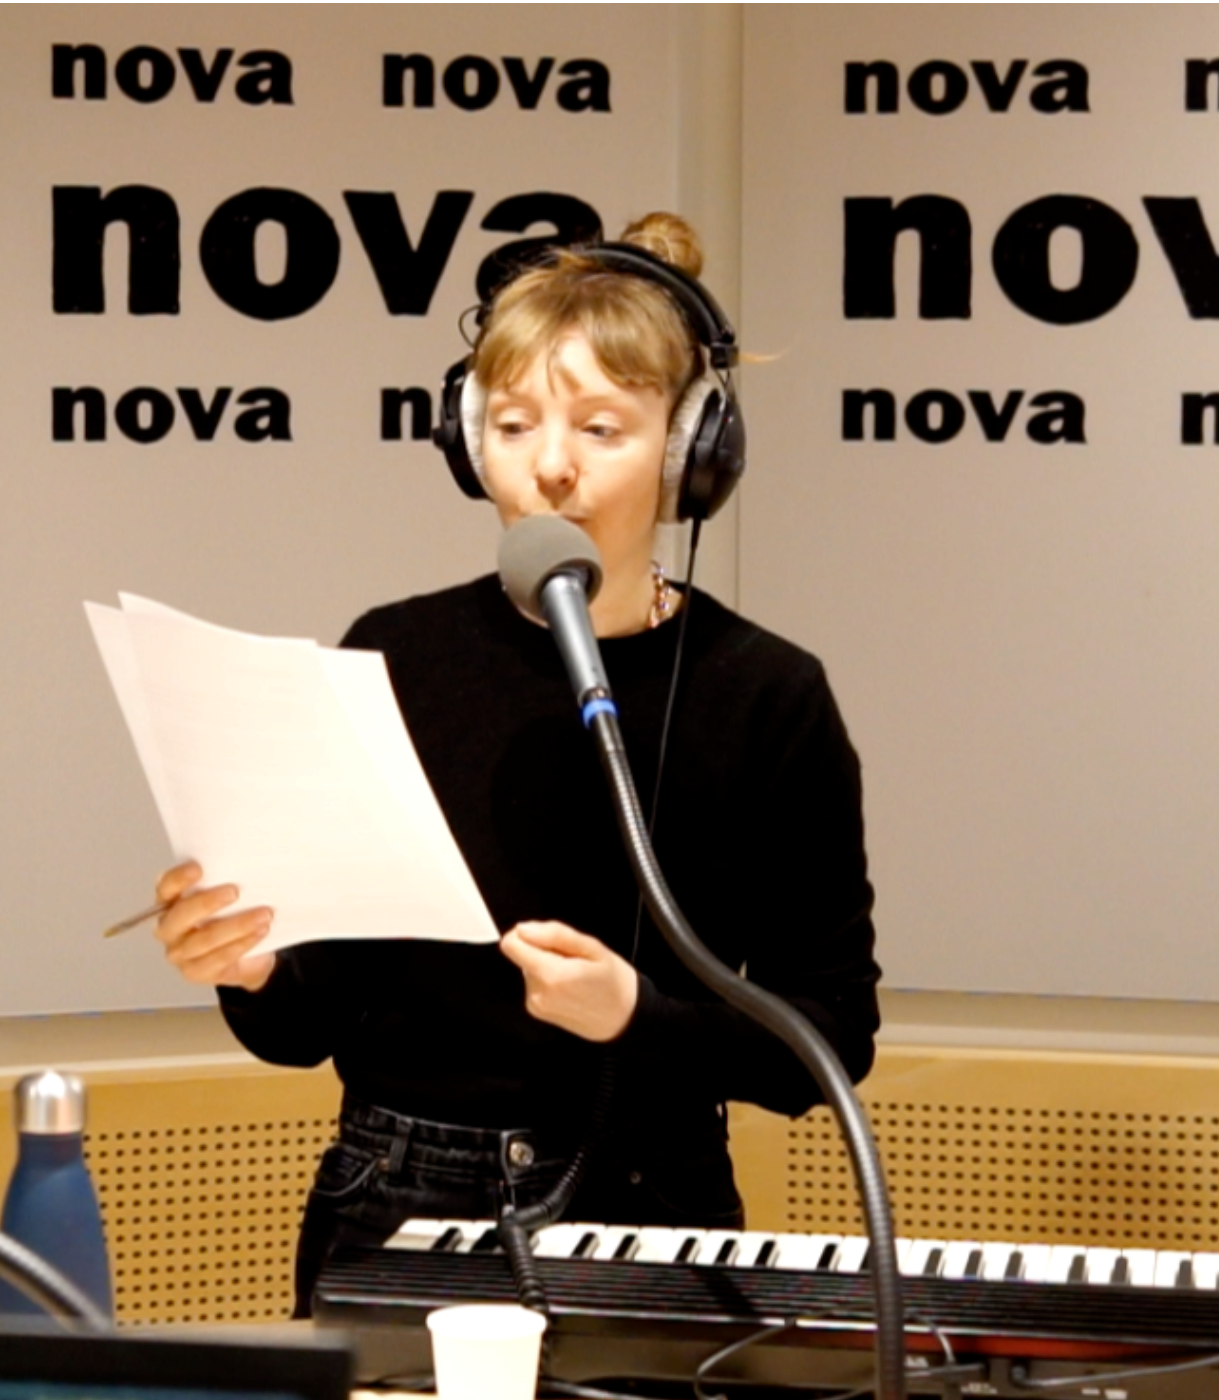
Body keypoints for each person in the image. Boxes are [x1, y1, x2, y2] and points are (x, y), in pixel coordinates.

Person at [152, 213, 879, 1314]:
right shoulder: (394, 652)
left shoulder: (765, 691)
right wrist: (252, 968)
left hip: (652, 1192)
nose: (549, 465)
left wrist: (636, 1014)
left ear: (689, 451)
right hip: (397, 1190)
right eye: (512, 423)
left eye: (601, 427)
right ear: (466, 440)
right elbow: (311, 1022)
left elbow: (827, 1037)